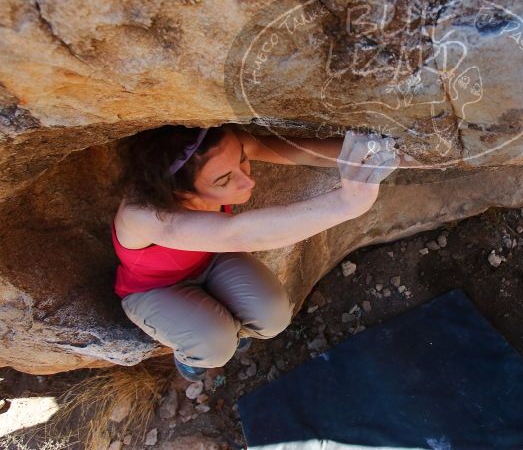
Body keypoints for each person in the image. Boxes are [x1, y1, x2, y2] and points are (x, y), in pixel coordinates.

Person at [111, 124, 401, 381]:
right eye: (224, 180)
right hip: (154, 288)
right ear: (183, 195)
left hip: (211, 258)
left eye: (242, 160)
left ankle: (233, 331)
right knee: (215, 344)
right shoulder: (141, 215)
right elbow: (236, 232)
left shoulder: (214, 147)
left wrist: (370, 154)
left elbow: (307, 152)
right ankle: (193, 358)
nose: (247, 181)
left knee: (273, 316)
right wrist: (347, 203)